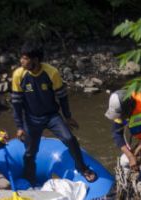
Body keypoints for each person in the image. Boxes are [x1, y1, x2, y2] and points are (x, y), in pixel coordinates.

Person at [11, 41, 96, 185]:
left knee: (70, 139)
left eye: (25, 58)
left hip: (52, 116)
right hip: (32, 119)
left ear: (35, 60)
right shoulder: (19, 74)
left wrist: (68, 116)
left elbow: (62, 96)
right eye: (22, 58)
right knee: (30, 152)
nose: (21, 61)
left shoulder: (51, 73)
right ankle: (29, 178)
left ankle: (82, 168)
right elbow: (16, 102)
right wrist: (19, 126)